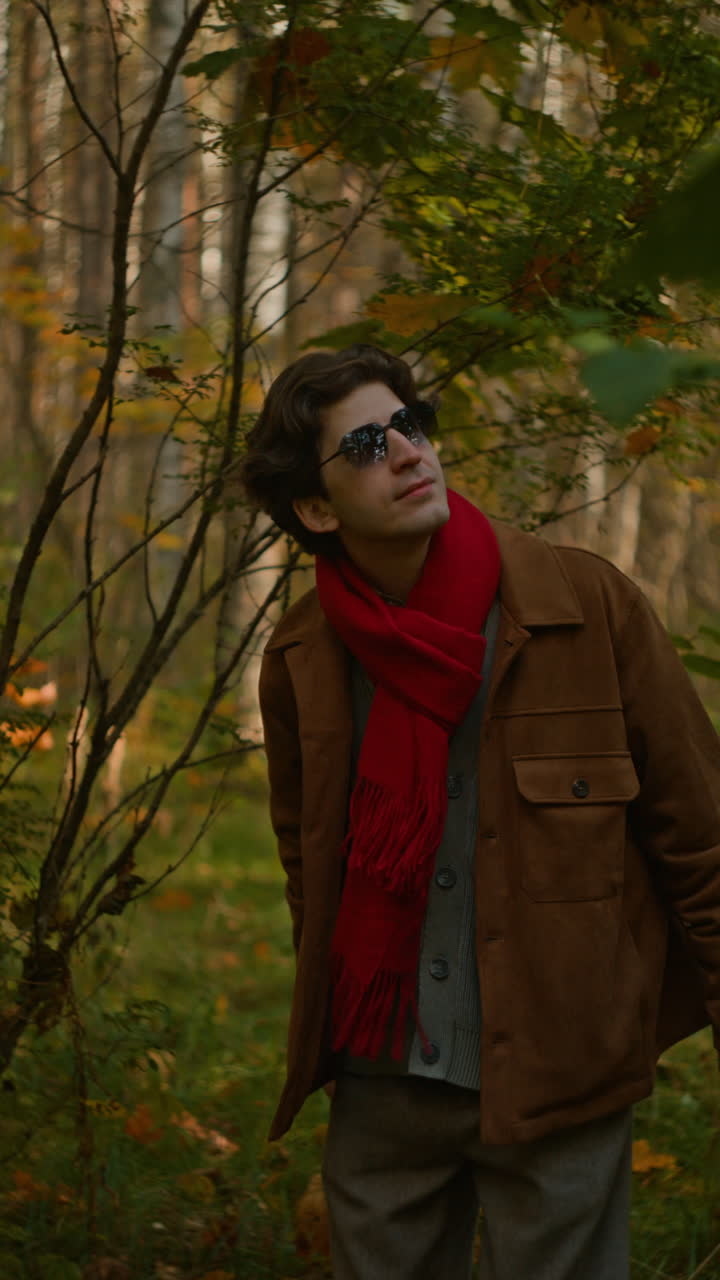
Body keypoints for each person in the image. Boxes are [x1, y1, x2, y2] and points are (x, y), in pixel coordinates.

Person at [241, 344, 720, 1280]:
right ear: (317, 508)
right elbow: (311, 863)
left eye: (409, 424)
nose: (408, 451)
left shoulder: (586, 609)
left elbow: (699, 831)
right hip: (384, 1080)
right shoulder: (304, 656)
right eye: (367, 445)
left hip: (562, 1067)